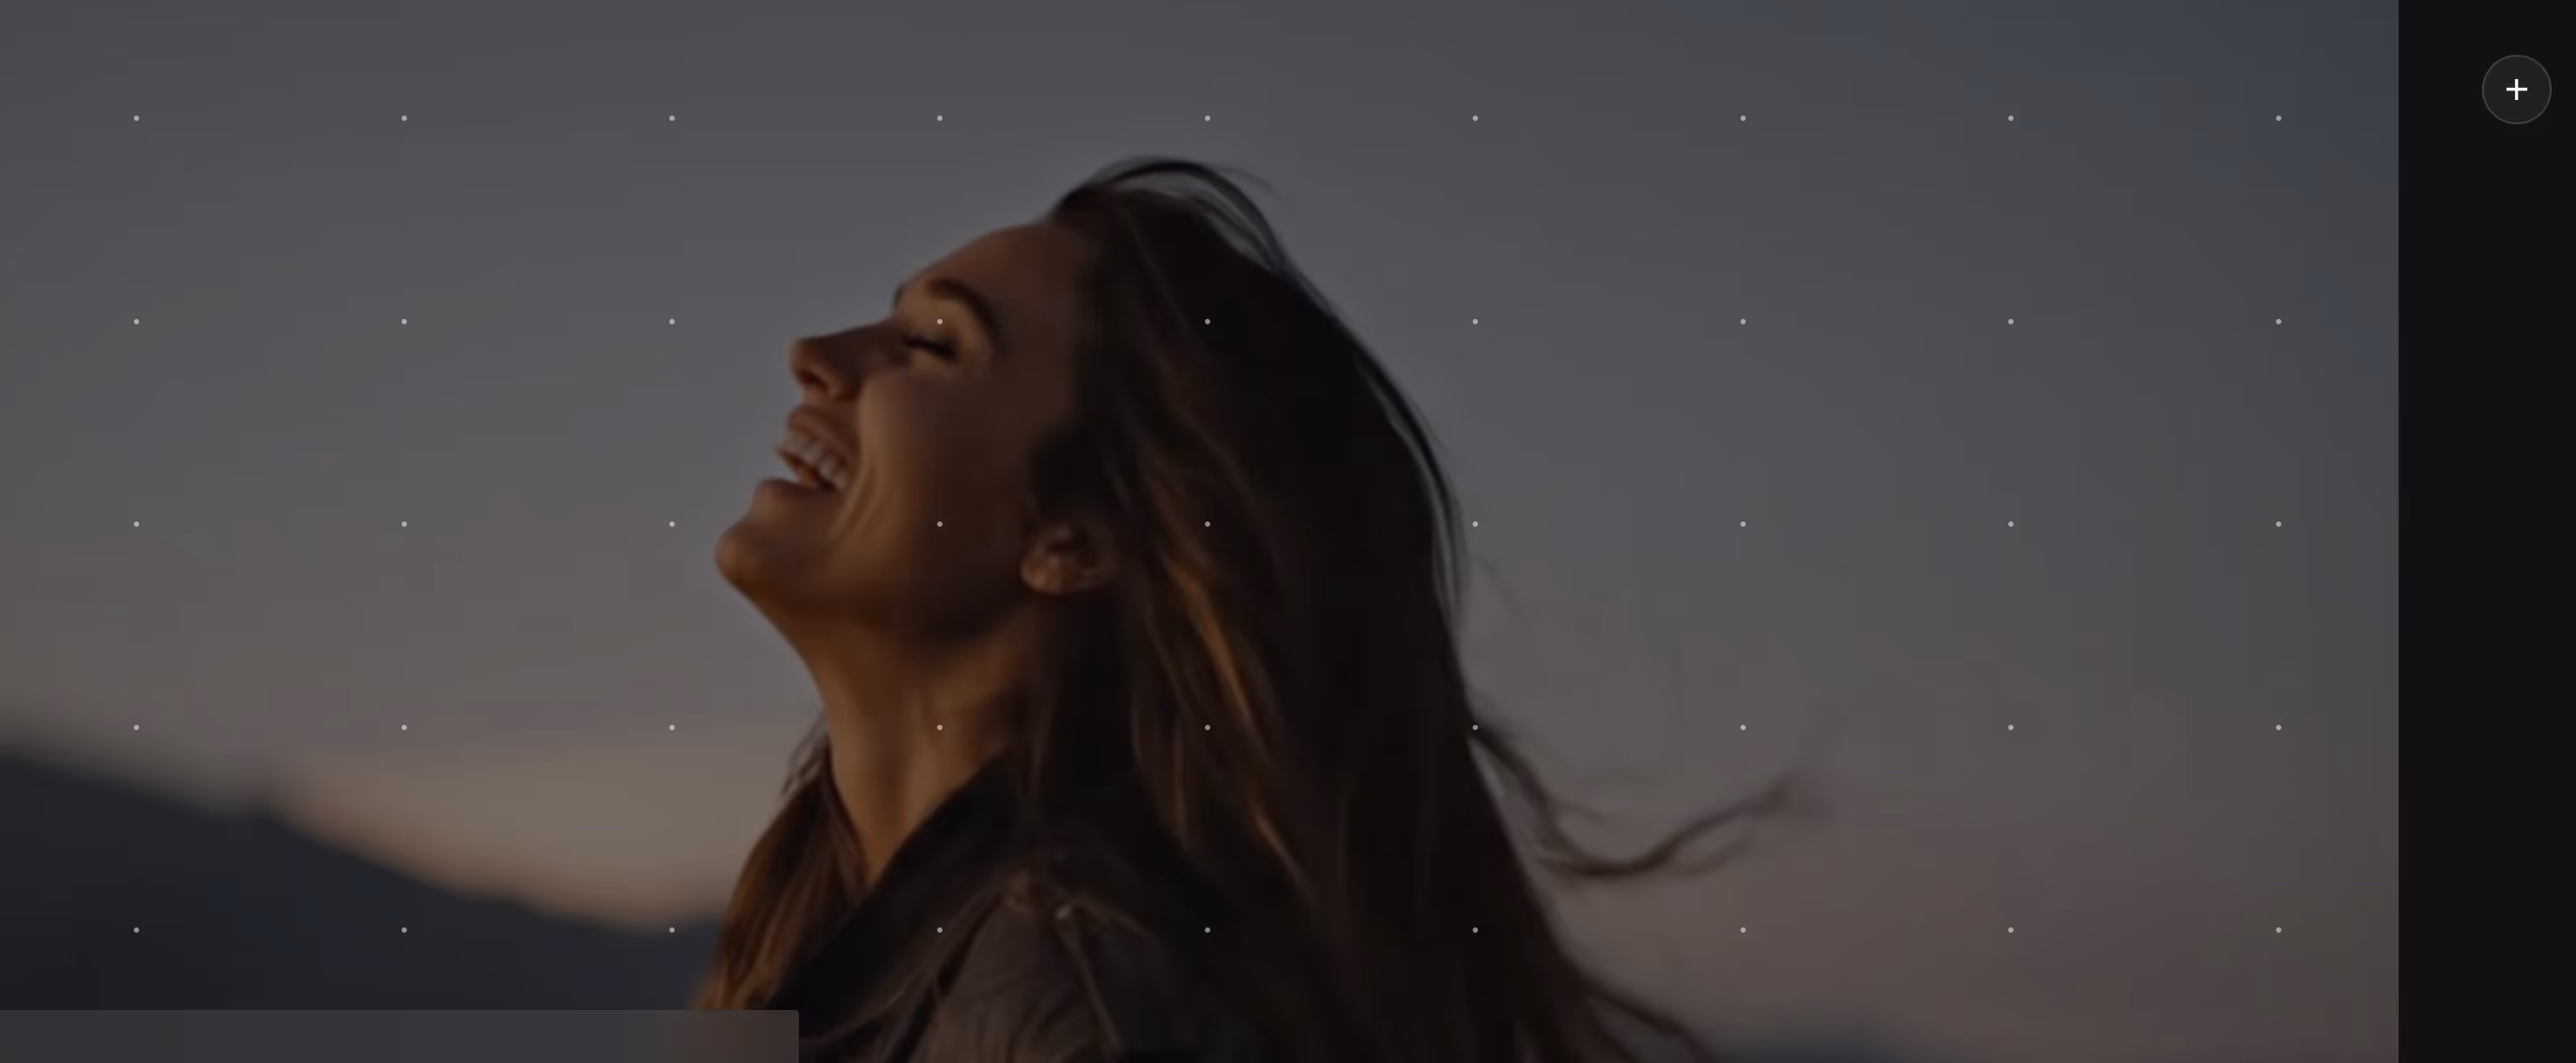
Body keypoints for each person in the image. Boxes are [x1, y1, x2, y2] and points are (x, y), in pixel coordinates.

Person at [703, 157, 1796, 1062]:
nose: (818, 359)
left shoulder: (1081, 1002)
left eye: (935, 345)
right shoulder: (845, 932)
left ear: (1072, 541)